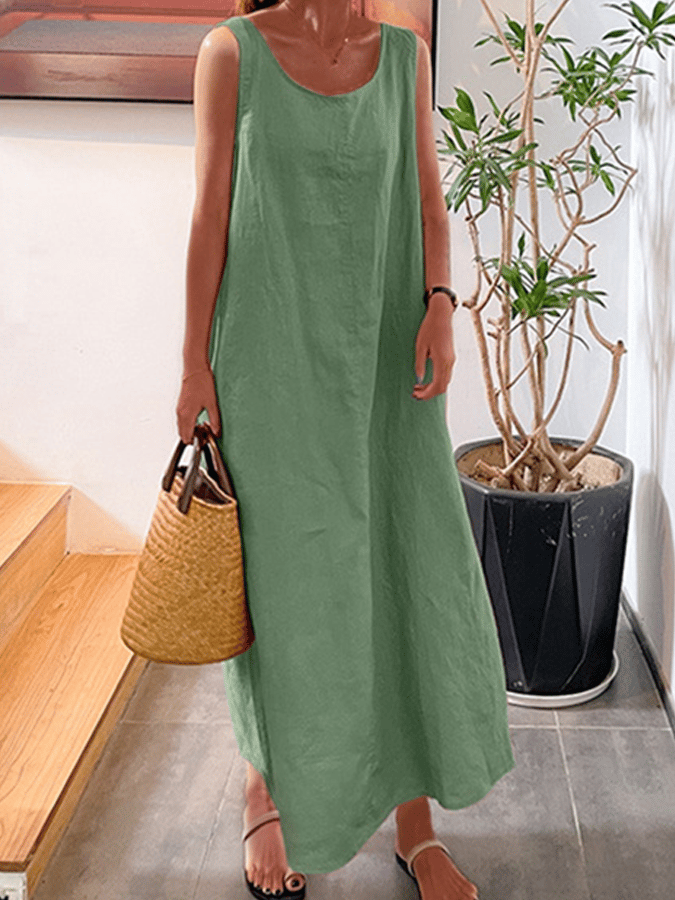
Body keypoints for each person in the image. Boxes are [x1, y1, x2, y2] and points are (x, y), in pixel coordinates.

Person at [176, 1, 516, 898]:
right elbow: (210, 214)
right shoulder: (230, 53)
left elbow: (428, 197)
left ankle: (415, 823)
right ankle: (266, 785)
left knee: (405, 568)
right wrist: (193, 365)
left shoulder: (404, 57)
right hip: (268, 362)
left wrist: (441, 301)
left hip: (384, 359)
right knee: (290, 585)